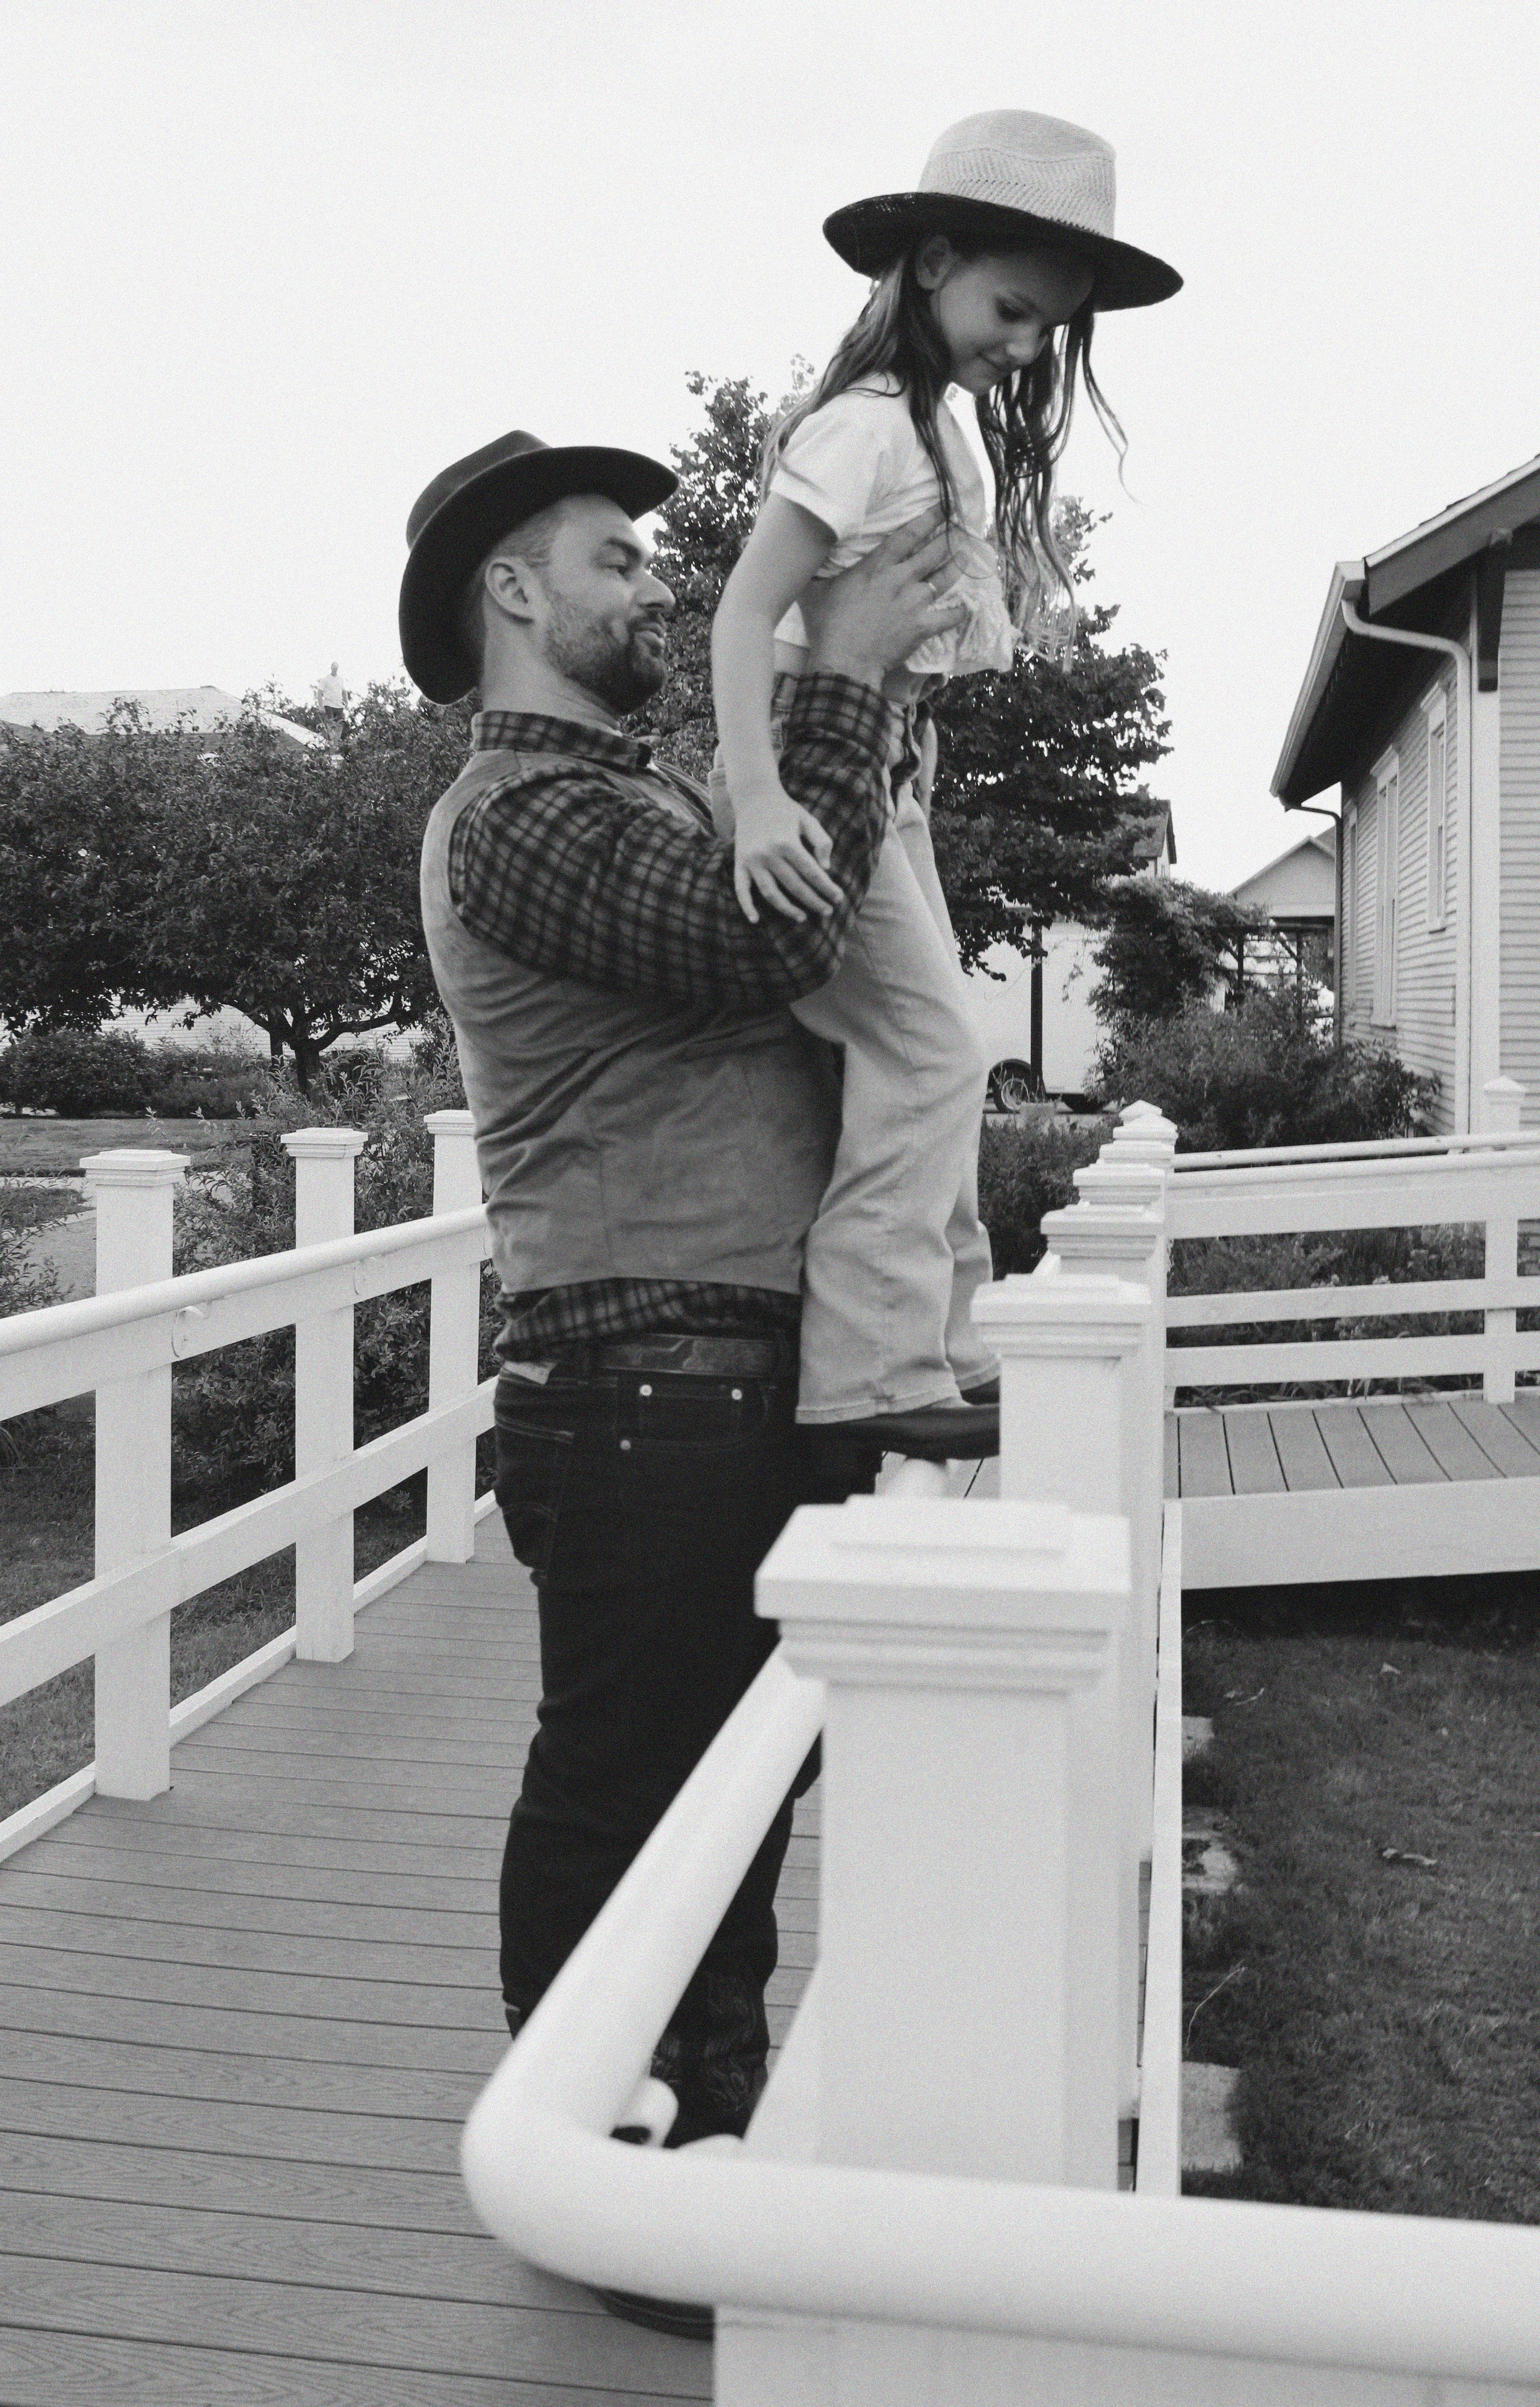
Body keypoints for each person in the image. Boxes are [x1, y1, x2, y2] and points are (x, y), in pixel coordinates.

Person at [402, 430, 967, 2337]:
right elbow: (763, 938)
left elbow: (825, 908)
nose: (660, 583)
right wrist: (839, 676)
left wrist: (849, 719)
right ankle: (610, 2178)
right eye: (618, 558)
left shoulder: (634, 793)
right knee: (636, 1792)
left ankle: (691, 2146)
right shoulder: (520, 817)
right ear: (514, 592)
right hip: (639, 1383)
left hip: (702, 1378)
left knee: (718, 1795)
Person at [710, 110, 1181, 1432]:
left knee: (941, 1052)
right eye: (1012, 309)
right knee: (928, 1052)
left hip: (886, 767)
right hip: (809, 763)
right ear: (930, 265)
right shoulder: (862, 429)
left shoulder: (938, 429)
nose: (1027, 347)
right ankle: (869, 1370)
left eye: (1049, 329)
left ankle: (952, 1336)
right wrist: (760, 799)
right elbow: (743, 615)